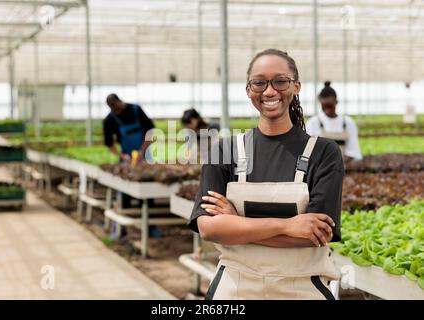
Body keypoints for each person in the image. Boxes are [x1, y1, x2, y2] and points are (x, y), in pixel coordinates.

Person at [187, 49, 343, 300]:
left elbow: (316, 235)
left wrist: (237, 222)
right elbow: (209, 229)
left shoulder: (323, 152)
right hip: (235, 288)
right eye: (259, 82)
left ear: (296, 86)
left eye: (280, 81)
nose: (269, 91)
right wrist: (288, 225)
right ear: (249, 89)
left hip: (303, 287)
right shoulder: (224, 151)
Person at [103, 93, 163, 238]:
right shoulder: (109, 120)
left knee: (149, 193)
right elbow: (109, 144)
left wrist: (142, 150)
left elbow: (151, 132)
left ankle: (150, 227)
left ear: (120, 101)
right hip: (127, 160)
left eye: (117, 107)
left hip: (145, 157)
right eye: (113, 109)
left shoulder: (136, 110)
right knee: (124, 194)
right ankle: (121, 229)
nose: (116, 111)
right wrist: (122, 156)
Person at [306, 81, 362, 162]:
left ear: (336, 102)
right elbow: (308, 152)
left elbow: (353, 151)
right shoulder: (313, 123)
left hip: (343, 169)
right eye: (324, 106)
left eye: (329, 105)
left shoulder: (347, 123)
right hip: (320, 170)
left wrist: (337, 162)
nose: (327, 109)